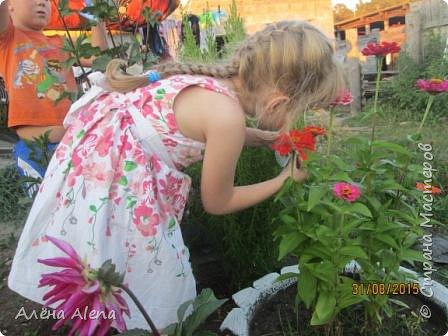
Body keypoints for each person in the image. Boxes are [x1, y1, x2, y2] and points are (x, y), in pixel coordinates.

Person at [8, 20, 344, 331]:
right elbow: (218, 201)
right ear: (279, 100)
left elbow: (197, 127)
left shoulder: (208, 84)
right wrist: (284, 178)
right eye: (300, 110)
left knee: (101, 259)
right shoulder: (227, 117)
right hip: (122, 190)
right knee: (157, 284)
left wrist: (267, 138)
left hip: (94, 174)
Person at [0, 0, 108, 192]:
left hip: (73, 144)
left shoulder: (61, 42)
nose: (42, 2)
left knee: (76, 205)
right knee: (43, 212)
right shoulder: (8, 38)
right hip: (35, 151)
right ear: (9, 5)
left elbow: (98, 58)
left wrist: (96, 19)